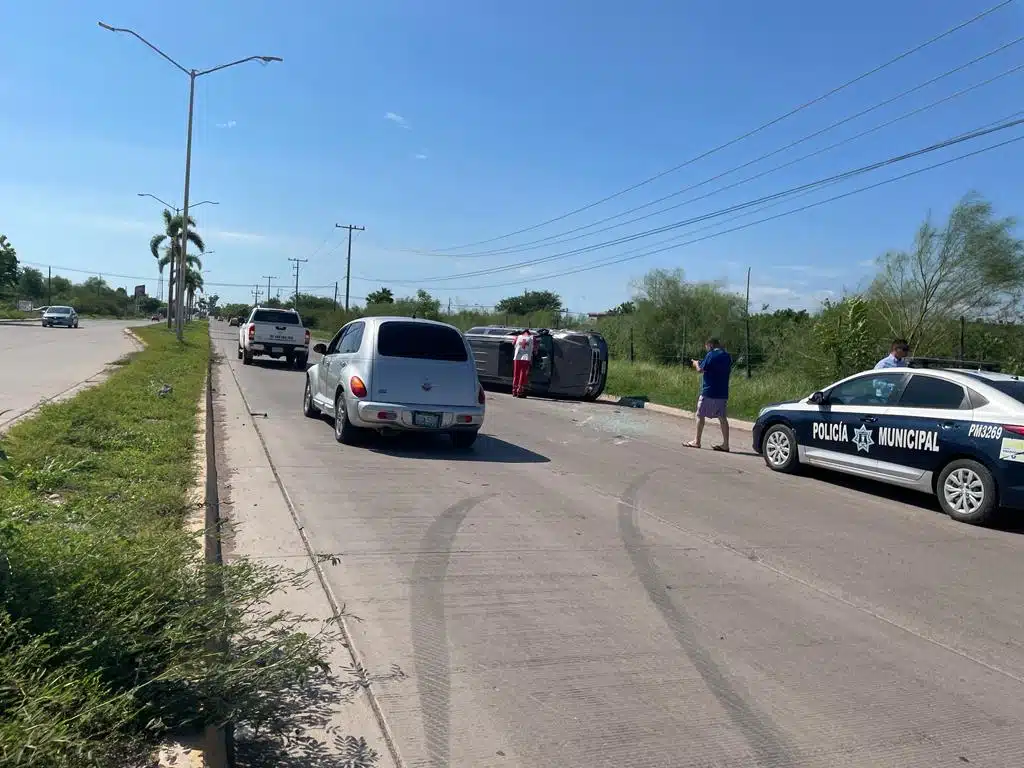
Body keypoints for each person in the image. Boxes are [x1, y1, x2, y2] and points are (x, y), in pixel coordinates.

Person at [685, 338, 733, 452]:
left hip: (709, 391)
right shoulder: (727, 356)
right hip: (722, 392)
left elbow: (700, 369)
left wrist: (696, 363)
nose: (706, 349)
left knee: (699, 414)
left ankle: (697, 441)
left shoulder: (711, 354)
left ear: (710, 345)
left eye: (706, 347)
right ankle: (726, 444)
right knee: (722, 418)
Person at [512, 329, 534, 398]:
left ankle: (514, 391)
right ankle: (520, 391)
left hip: (517, 356)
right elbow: (535, 348)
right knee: (523, 374)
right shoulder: (532, 338)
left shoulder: (518, 337)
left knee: (516, 374)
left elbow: (513, 343)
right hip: (526, 358)